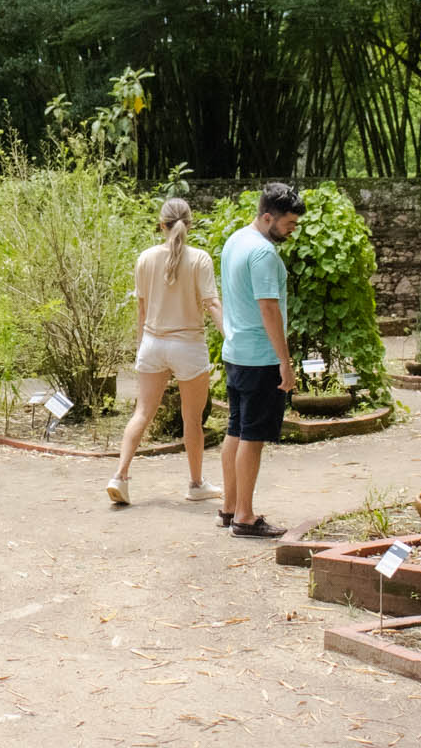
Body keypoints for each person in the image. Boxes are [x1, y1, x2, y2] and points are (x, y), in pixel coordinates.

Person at [107, 198, 222, 506]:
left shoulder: (145, 258)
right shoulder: (200, 259)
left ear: (161, 225)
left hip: (153, 343)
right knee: (192, 419)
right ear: (190, 223)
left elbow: (142, 309)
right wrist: (230, 335)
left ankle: (120, 476)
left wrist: (140, 345)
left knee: (141, 413)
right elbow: (212, 304)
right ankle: (196, 484)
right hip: (188, 346)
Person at [218, 183, 304, 538]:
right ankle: (245, 517)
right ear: (268, 216)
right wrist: (285, 361)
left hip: (236, 353)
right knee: (252, 438)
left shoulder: (236, 240)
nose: (292, 230)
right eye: (288, 224)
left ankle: (229, 507)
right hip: (260, 357)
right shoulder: (263, 253)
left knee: (236, 430)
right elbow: (268, 307)